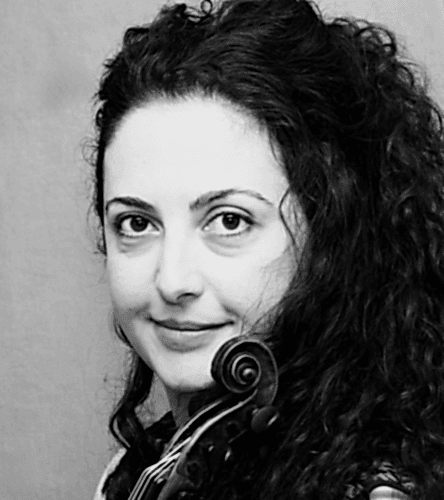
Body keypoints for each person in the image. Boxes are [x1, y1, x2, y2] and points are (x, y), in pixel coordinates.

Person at [87, 0, 444, 498]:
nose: (172, 281)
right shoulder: (139, 470)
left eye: (229, 221)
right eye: (137, 223)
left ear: (328, 237)